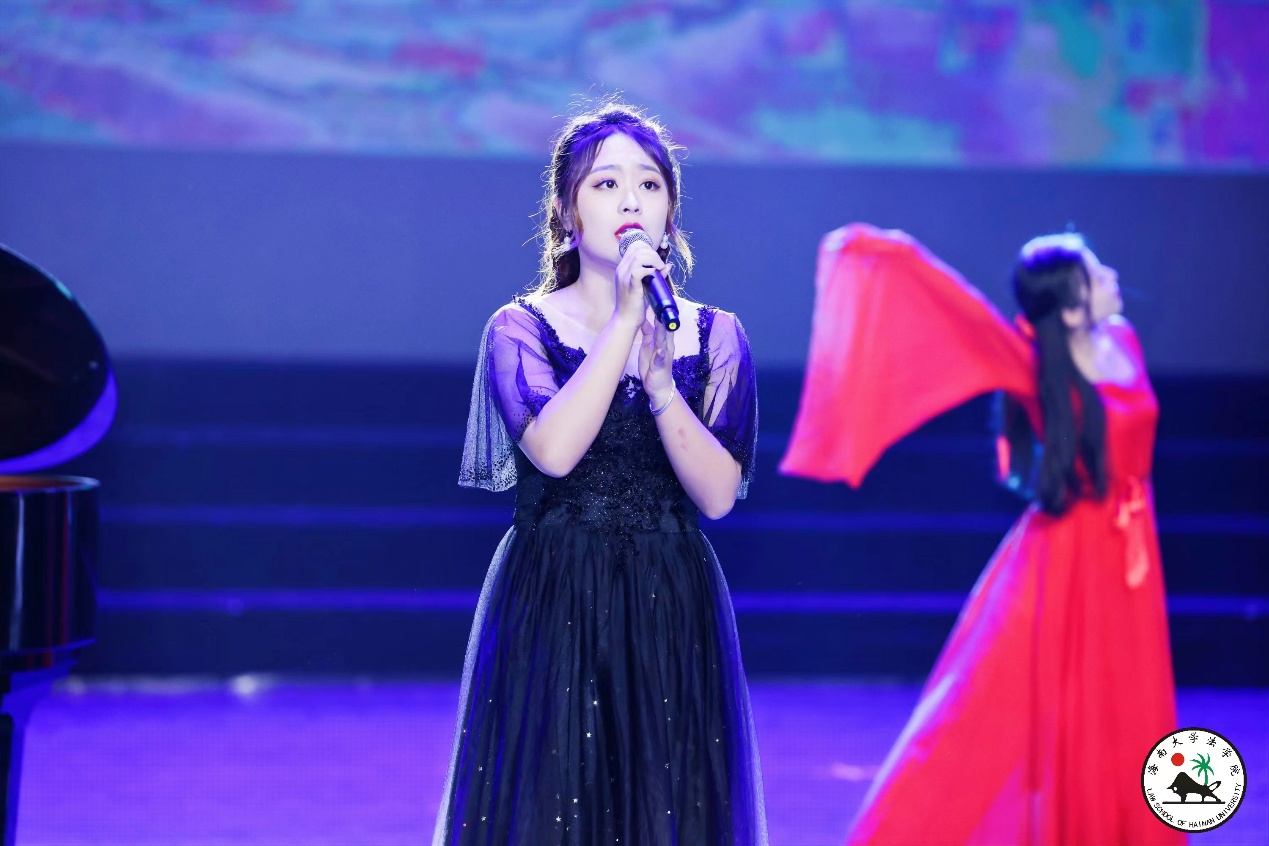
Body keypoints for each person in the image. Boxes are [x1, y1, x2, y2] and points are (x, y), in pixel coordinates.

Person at [780, 225, 1182, 846]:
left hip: (1132, 550)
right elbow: (961, 315)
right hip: (1068, 555)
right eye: (1095, 275)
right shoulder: (1036, 366)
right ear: (1069, 309)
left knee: (1127, 703)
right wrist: (890, 255)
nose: (1111, 277)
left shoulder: (1122, 338)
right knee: (988, 712)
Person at [434, 103, 767, 846]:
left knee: (668, 805)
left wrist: (663, 387)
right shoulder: (520, 329)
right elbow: (553, 452)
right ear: (565, 211)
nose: (629, 201)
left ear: (670, 213)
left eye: (648, 184)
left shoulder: (714, 335)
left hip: (670, 597)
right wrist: (622, 325)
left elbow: (717, 495)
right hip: (556, 594)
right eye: (605, 183)